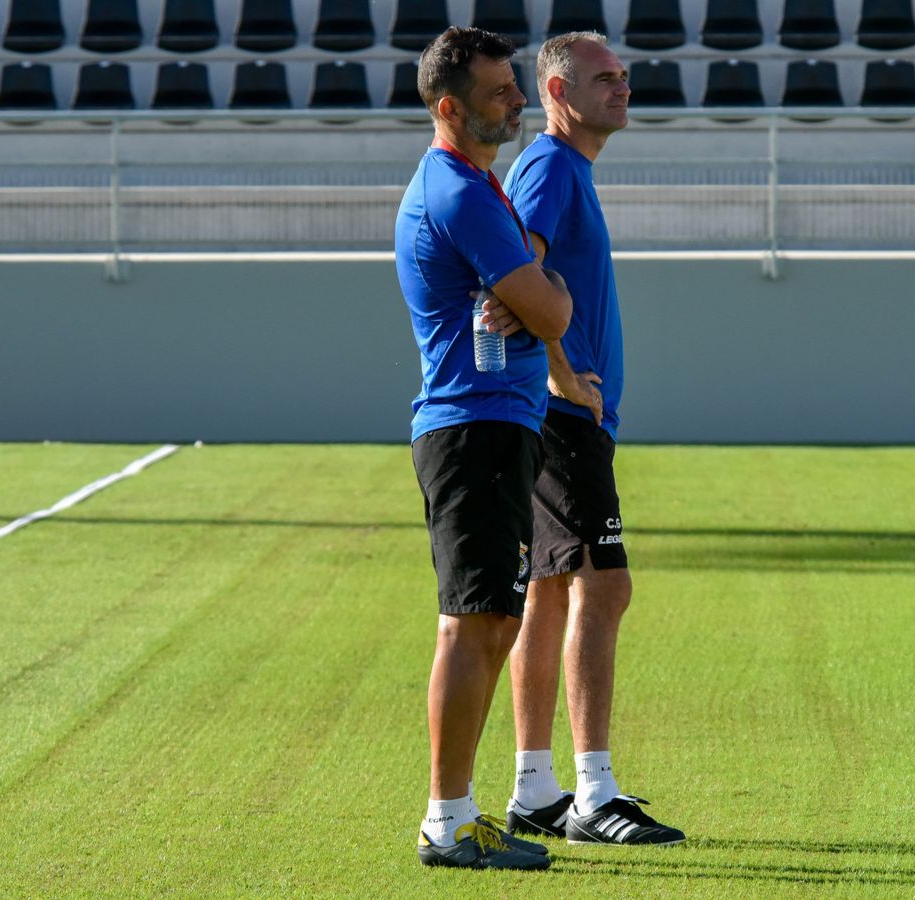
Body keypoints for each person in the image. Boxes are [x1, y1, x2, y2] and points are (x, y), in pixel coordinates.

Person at [498, 31, 686, 846]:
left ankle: (535, 789)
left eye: (624, 77)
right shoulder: (547, 166)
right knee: (603, 588)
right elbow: (521, 277)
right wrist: (561, 376)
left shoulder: (566, 168)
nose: (622, 87)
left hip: (567, 418)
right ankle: (593, 793)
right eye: (605, 77)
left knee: (549, 591)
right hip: (564, 418)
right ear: (556, 91)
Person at [395, 26, 576, 870]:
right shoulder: (460, 192)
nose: (517, 100)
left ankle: (459, 814)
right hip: (475, 429)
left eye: (514, 85)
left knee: (494, 620)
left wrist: (544, 290)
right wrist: (550, 294)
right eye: (500, 91)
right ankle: (448, 821)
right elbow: (551, 312)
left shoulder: (476, 183)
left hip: (493, 427)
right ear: (449, 107)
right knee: (473, 625)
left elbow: (542, 296)